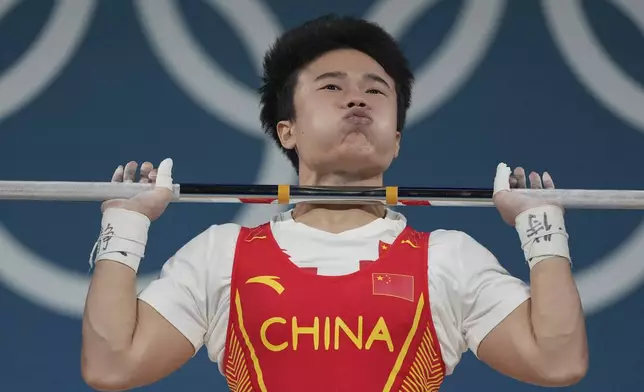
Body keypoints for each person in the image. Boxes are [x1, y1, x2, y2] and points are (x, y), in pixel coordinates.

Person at [81, 14, 588, 391]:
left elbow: (556, 361)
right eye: (331, 87)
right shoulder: (221, 255)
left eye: (376, 90)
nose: (357, 100)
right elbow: (112, 365)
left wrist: (542, 229)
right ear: (288, 130)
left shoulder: (448, 260)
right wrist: (124, 228)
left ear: (396, 139)